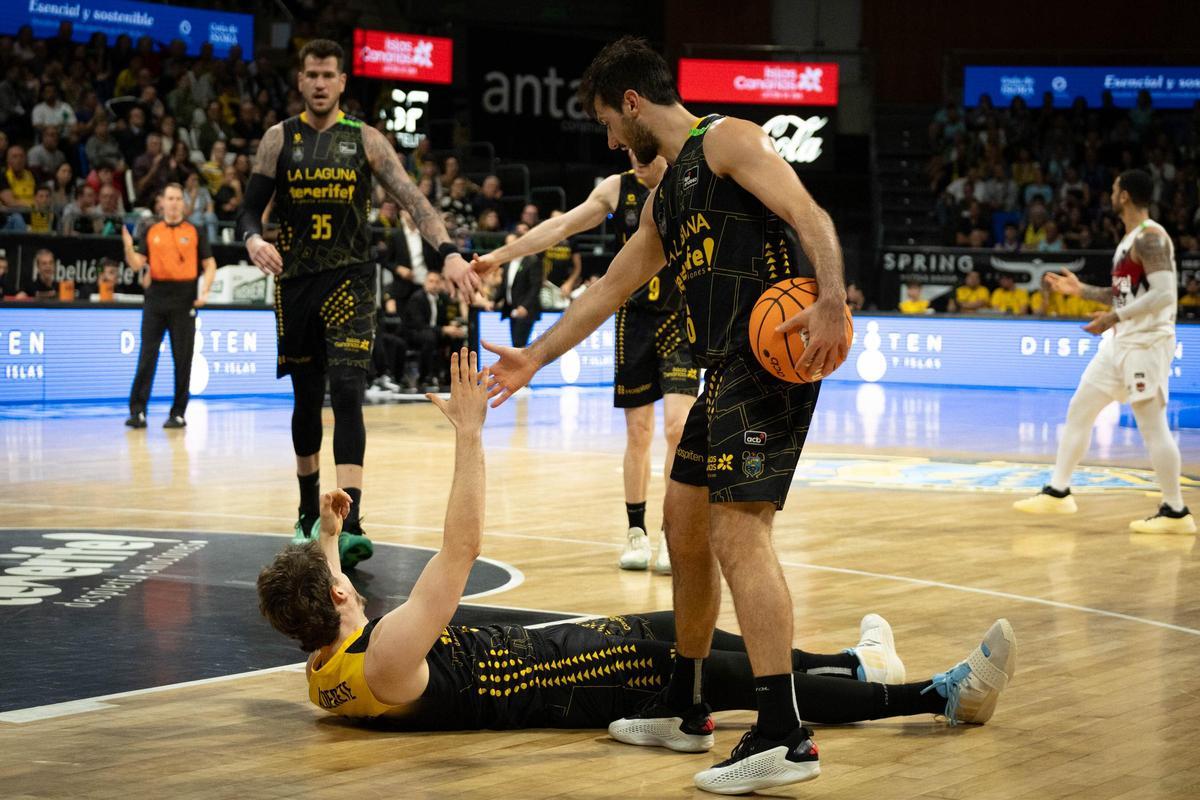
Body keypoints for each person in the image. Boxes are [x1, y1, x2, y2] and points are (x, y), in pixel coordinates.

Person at [256, 349, 1018, 763]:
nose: (347, 583)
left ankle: (851, 664)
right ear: (339, 605)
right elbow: (461, 550)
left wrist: (325, 539)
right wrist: (468, 437)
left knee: (705, 632)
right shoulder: (388, 655)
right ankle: (936, 697)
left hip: (563, 651)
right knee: (738, 680)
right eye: (340, 583)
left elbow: (324, 600)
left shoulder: (326, 669)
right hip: (574, 681)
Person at [482, 37, 851, 793]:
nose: (611, 142)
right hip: (725, 372)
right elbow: (608, 290)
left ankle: (784, 734)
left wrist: (833, 298)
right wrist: (535, 357)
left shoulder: (729, 140)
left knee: (737, 529)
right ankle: (687, 706)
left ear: (632, 103)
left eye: (609, 126)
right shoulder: (665, 195)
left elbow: (809, 214)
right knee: (682, 525)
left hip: (773, 357)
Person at [235, 39, 481, 572]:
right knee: (305, 399)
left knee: (348, 390)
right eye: (312, 75)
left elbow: (415, 202)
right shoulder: (279, 139)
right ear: (300, 81)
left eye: (329, 75)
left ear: (343, 81)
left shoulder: (366, 140)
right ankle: (306, 512)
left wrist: (451, 255)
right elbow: (248, 212)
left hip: (349, 279)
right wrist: (254, 241)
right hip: (295, 280)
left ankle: (351, 520)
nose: (320, 83)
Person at [476, 151, 699, 573]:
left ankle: (674, 533)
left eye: (640, 148)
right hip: (633, 320)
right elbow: (560, 226)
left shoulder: (686, 180)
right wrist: (501, 257)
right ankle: (637, 532)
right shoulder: (617, 188)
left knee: (679, 428)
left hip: (680, 315)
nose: (632, 155)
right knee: (639, 432)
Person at [1014, 169, 1194, 534]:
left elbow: (1164, 294)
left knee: (1152, 426)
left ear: (1124, 195)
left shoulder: (1152, 237)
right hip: (1122, 341)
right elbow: (1125, 294)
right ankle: (1058, 491)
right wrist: (1081, 291)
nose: (1110, 194)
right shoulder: (1128, 241)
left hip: (1146, 343)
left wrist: (1114, 316)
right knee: (1081, 407)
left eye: (1114, 189)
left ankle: (1176, 512)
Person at [122, 183, 217, 430]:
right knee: (147, 356)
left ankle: (178, 412)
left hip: (184, 298)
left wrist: (205, 291)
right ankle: (138, 411)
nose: (174, 203)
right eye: (170, 198)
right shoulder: (152, 230)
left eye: (178, 198)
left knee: (182, 358)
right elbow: (136, 264)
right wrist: (127, 248)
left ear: (183, 204)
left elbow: (209, 264)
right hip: (156, 298)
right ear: (161, 202)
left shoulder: (195, 230)